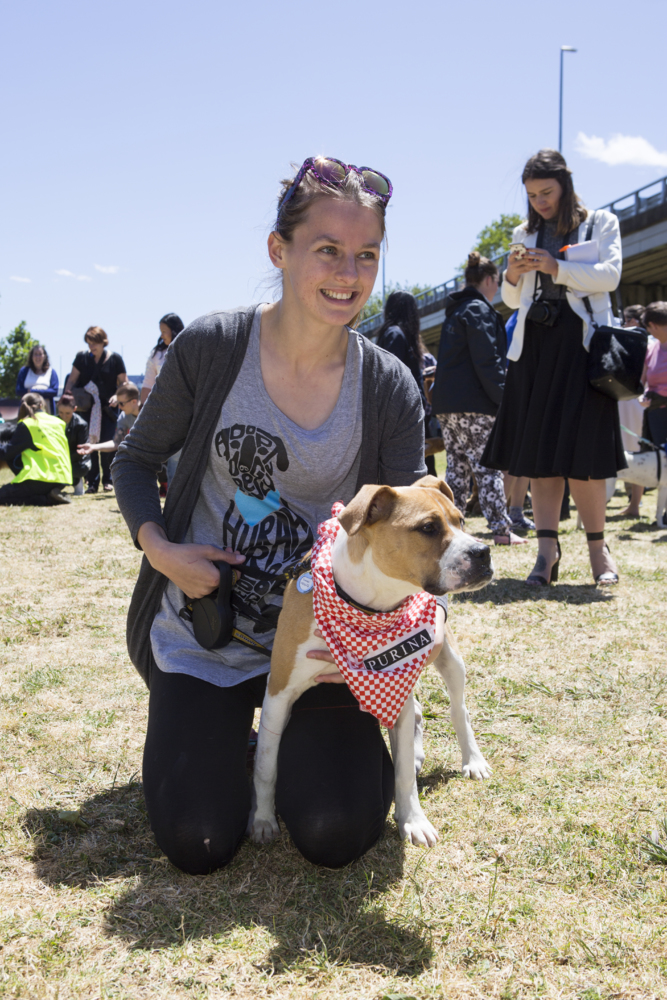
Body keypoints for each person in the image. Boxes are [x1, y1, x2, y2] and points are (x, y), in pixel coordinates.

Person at [112, 155, 447, 875]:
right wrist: (162, 550)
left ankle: (296, 733)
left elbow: (410, 506)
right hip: (209, 637)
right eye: (326, 249)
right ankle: (224, 731)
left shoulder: (385, 382)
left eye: (365, 255)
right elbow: (134, 463)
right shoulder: (212, 346)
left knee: (335, 831)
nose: (347, 273)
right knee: (199, 840)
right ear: (279, 250)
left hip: (331, 650)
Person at [482, 149, 624, 585]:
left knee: (585, 455)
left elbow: (611, 276)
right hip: (535, 347)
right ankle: (546, 555)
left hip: (581, 347)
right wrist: (511, 274)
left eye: (546, 192)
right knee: (541, 456)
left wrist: (555, 266)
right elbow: (511, 302)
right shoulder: (523, 231)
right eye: (532, 194)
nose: (540, 201)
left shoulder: (600, 222)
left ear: (565, 184)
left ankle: (599, 555)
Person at [431, 252, 524, 545]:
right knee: (487, 467)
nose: (497, 288)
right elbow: (488, 362)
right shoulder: (479, 311)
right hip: (475, 403)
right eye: (497, 282)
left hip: (447, 404)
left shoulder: (456, 312)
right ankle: (501, 530)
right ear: (488, 280)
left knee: (456, 468)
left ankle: (451, 528)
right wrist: (503, 399)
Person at [376, 291, 436, 473]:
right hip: (403, 417)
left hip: (407, 414)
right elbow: (389, 378)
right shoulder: (396, 335)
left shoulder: (398, 335)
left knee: (424, 465)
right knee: (417, 469)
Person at [63, 327, 128, 494]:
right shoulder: (82, 358)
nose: (92, 346)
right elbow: (72, 380)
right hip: (86, 410)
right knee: (89, 445)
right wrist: (66, 397)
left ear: (103, 342)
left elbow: (124, 383)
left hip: (108, 410)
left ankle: (108, 480)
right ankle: (92, 482)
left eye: (95, 343)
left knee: (108, 444)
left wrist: (117, 396)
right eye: (89, 343)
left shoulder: (115, 359)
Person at [0, 393, 72, 506]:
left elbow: (6, 453)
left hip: (40, 479)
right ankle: (50, 493)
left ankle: (46, 499)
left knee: (3, 495)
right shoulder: (58, 422)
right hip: (63, 479)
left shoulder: (27, 424)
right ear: (42, 404)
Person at [618, 304, 647, 518]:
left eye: (627, 320)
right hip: (629, 402)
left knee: (636, 453)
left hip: (636, 402)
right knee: (634, 453)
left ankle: (634, 504)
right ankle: (633, 503)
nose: (624, 324)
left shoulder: (645, 343)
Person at [78, 382, 140, 458]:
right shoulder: (124, 417)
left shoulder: (150, 413)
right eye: (118, 403)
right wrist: (93, 447)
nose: (119, 407)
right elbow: (116, 442)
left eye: (121, 403)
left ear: (134, 401)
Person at [140, 314, 185, 405]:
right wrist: (143, 409)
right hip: (163, 407)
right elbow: (148, 384)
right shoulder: (156, 354)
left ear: (174, 331)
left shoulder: (189, 351)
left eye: (164, 331)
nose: (161, 336)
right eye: (161, 332)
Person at [639, 301, 667, 447]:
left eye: (648, 328)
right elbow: (641, 384)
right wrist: (641, 397)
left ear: (653, 325)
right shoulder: (650, 349)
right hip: (656, 416)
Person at [56, 391, 91, 494]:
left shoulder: (81, 424)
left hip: (79, 462)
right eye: (61, 412)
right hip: (61, 459)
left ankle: (76, 481)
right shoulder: (54, 421)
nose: (64, 416)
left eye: (68, 413)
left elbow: (81, 450)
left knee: (73, 469)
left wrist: (63, 459)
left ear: (74, 409)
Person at [15, 345, 59, 414]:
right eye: (35, 354)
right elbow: (18, 390)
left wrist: (31, 391)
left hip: (46, 408)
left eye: (40, 354)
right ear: (31, 356)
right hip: (27, 408)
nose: (38, 357)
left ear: (44, 356)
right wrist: (42, 392)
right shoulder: (24, 371)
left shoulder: (51, 372)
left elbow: (54, 391)